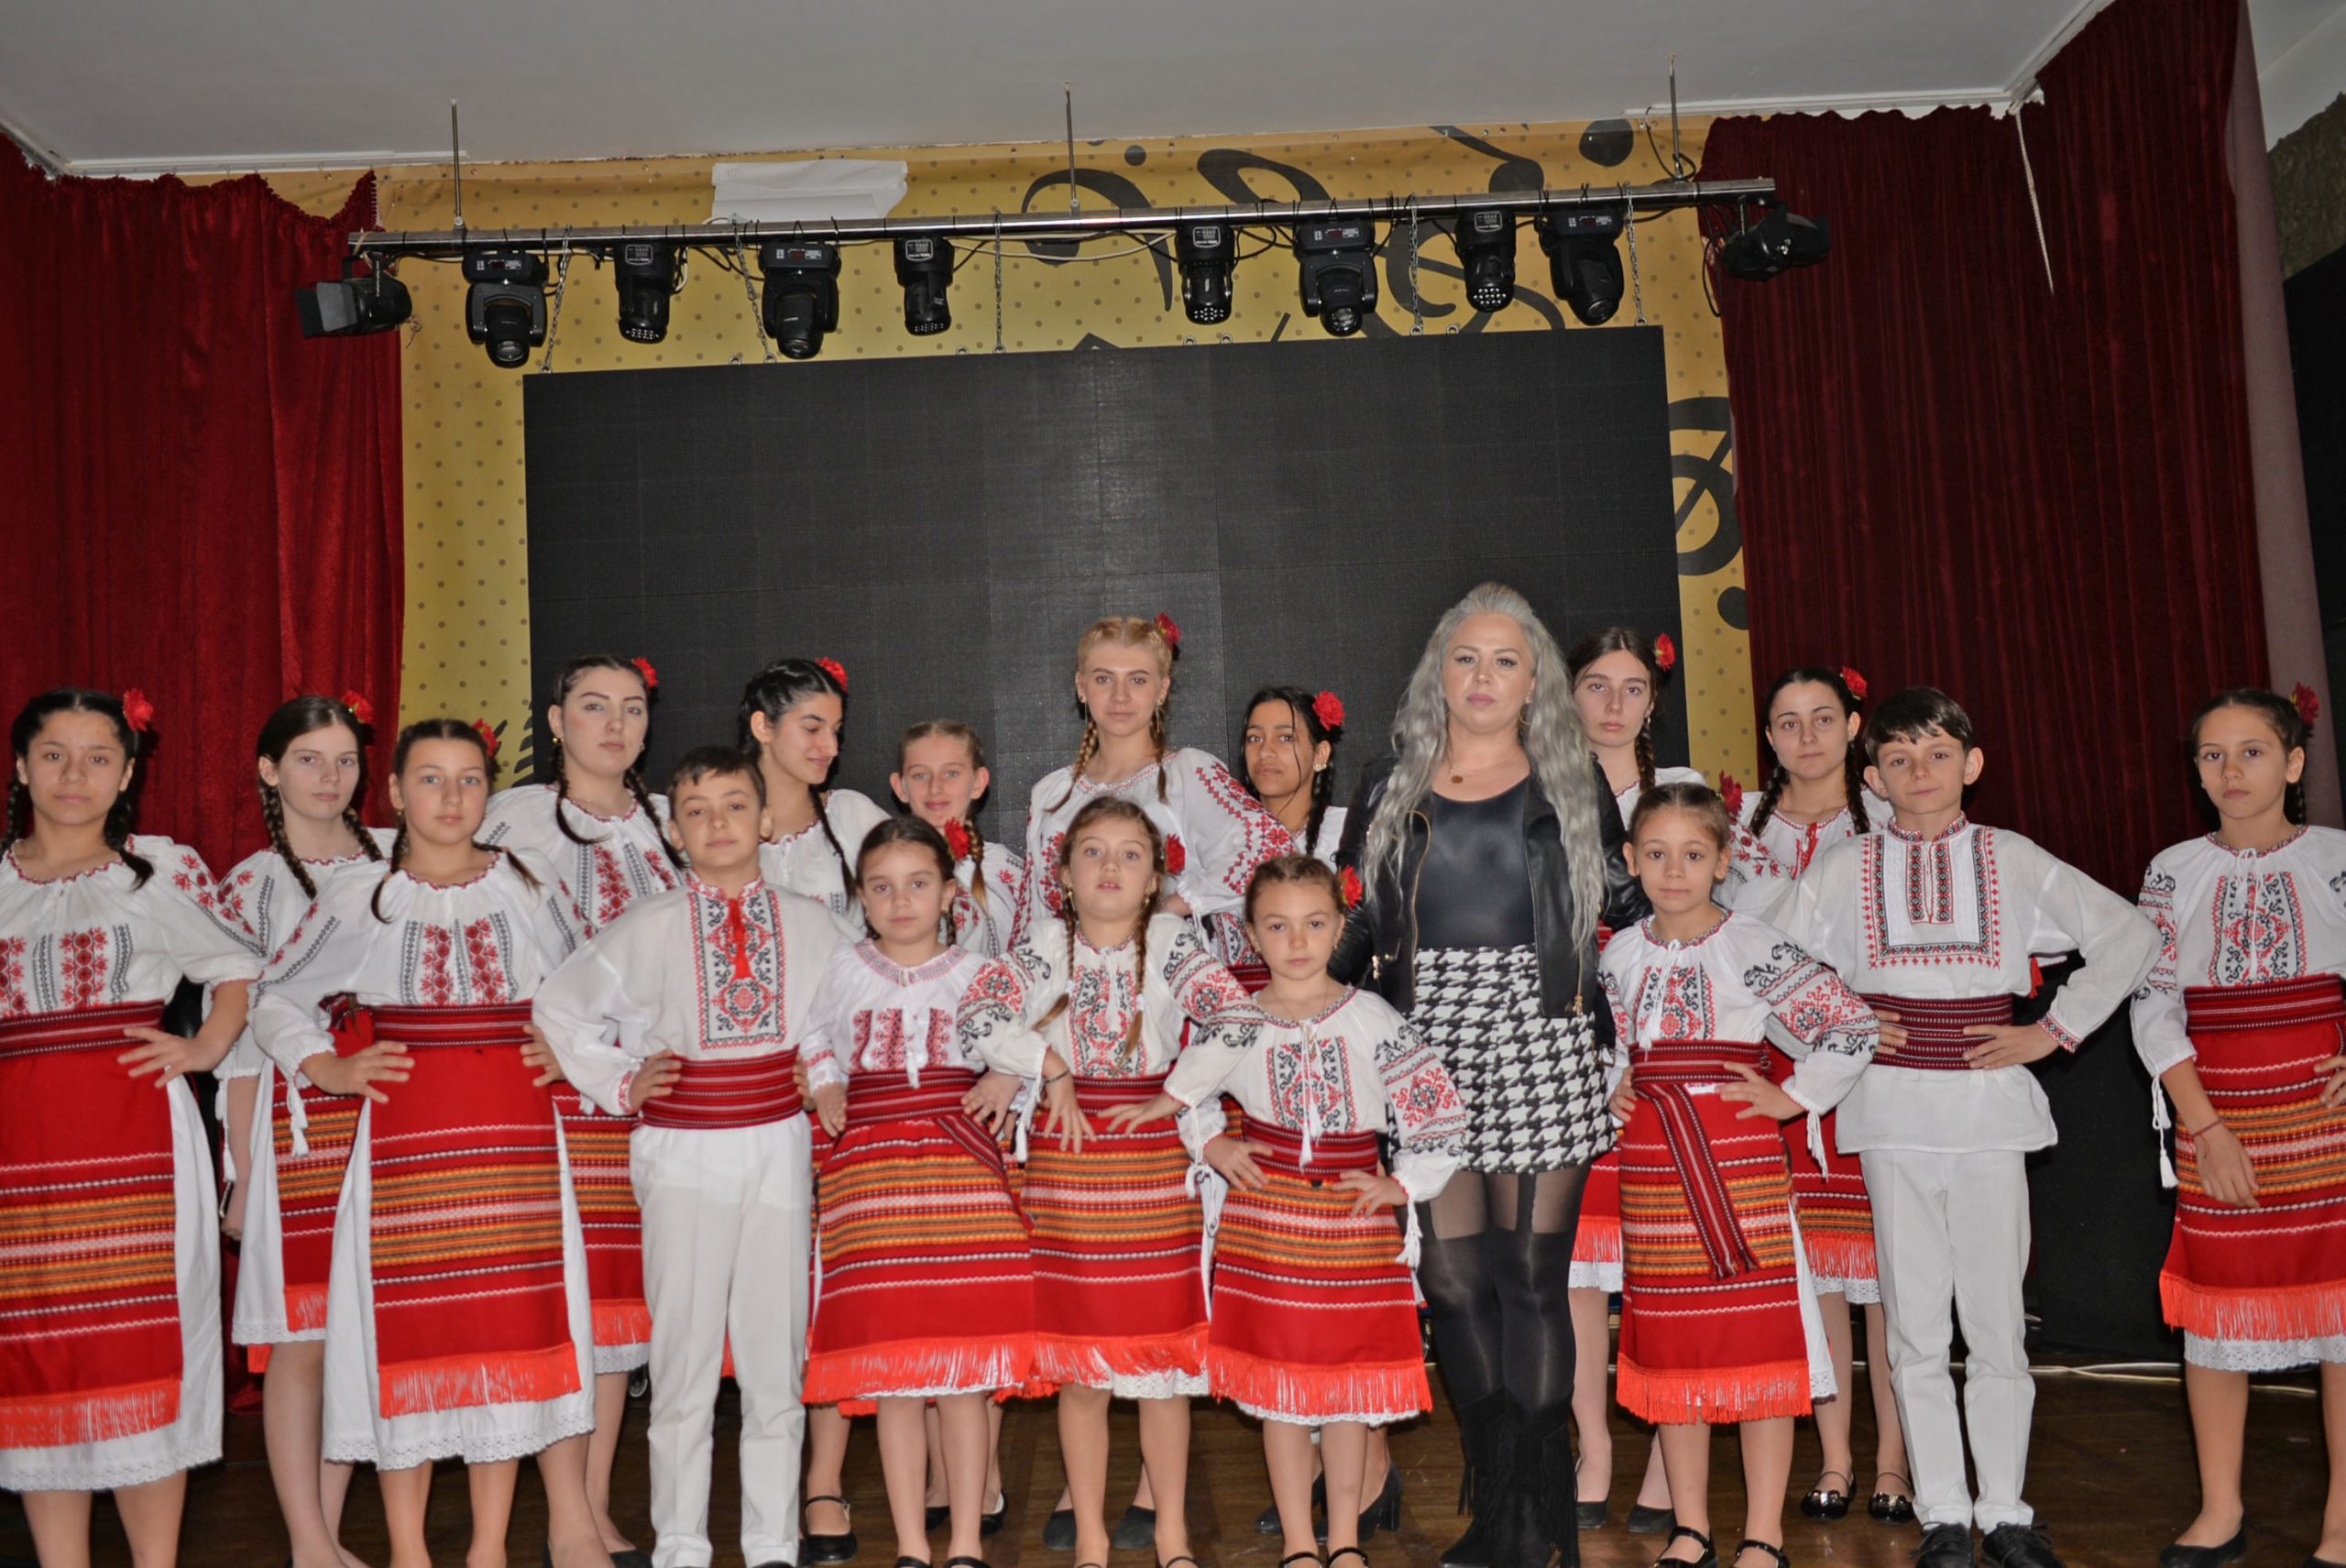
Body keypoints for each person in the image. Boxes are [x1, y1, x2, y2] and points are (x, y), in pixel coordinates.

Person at [1776, 687, 2159, 1568]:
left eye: (1938, 753)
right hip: (1892, 1112)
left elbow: (2131, 935)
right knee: (1914, 1324)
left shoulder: (2011, 857)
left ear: (1972, 764)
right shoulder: (1842, 868)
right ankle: (1943, 1512)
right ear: (1874, 776)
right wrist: (1840, 1029)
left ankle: (2007, 1510)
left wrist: (2052, 1031)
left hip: (1989, 1111)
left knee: (1994, 1320)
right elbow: (1767, 964)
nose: (1920, 771)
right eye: (1899, 758)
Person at [248, 718, 613, 1568]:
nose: (452, 797)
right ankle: (409, 1551)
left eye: (469, 779)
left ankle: (488, 1548)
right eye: (431, 778)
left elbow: (600, 980)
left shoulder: (528, 881)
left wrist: (569, 1046)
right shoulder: (362, 896)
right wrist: (327, 1066)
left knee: (506, 1337)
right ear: (395, 791)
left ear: (490, 789)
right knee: (409, 1341)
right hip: (405, 1148)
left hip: (516, 1144)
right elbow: (275, 997)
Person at [1332, 582, 1645, 1568]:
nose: (1482, 676)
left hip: (1541, 1031)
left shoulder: (1569, 777)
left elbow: (1631, 911)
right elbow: (1357, 917)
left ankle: (1524, 1519)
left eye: (1505, 660)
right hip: (1422, 1035)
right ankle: (1506, 1494)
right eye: (1465, 657)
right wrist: (1305, 1012)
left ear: (1533, 681)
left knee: (1529, 1277)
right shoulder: (1388, 778)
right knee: (1451, 1279)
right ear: (1439, 670)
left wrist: (1640, 1038)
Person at [532, 745, 845, 1568]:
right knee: (683, 1362)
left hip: (777, 1143)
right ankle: (680, 1545)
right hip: (680, 1150)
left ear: (765, 818)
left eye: (736, 805)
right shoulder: (649, 924)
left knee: (775, 1357)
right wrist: (620, 1080)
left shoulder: (813, 921)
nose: (718, 823)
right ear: (674, 831)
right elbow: (559, 1006)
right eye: (697, 811)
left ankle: (772, 1542)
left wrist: (825, 1074)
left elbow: (842, 1013)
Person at [961, 795, 1262, 1568]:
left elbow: (1236, 1018)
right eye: (1092, 851)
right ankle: (1091, 1538)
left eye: (1131, 854)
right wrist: (1048, 1063)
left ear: (1155, 877)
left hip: (1152, 1166)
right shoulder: (1043, 943)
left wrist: (1176, 1093)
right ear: (1063, 872)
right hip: (1068, 1165)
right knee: (1081, 1370)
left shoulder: (1169, 940)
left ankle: (1172, 1535)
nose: (1110, 867)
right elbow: (978, 1014)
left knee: (1162, 1370)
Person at [1141, 853, 1465, 1568]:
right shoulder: (1235, 1022)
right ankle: (1297, 1542)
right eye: (1278, 925)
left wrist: (1403, 1183)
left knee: (1348, 1389)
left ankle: (1343, 1538)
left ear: (1339, 927)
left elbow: (1436, 1107)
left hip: (1353, 1220)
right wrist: (1215, 1142)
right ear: (1251, 934)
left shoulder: (1371, 1016)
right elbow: (1184, 1093)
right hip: (1268, 1222)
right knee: (1280, 1391)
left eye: (1314, 924)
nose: (1296, 941)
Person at [0, 687, 261, 1568]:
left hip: (137, 1134)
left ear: (127, 773)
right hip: (20, 1150)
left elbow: (234, 971)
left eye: (98, 756)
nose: (74, 774)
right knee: (37, 1356)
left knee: (140, 1350)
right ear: (21, 766)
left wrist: (203, 1048)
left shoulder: (153, 874)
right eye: (54, 754)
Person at [1602, 783, 1880, 1568]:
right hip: (1654, 1173)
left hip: (1740, 1167)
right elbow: (1610, 1046)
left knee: (1760, 1352)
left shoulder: (1751, 943)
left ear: (1723, 860)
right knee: (1674, 1353)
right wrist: (1613, 1082)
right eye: (1657, 854)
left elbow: (1850, 1023)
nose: (1674, 870)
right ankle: (1691, 1527)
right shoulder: (1618, 956)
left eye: (1693, 854)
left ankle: (1764, 1533)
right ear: (1630, 860)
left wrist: (1794, 1097)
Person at [2132, 688, 2346, 1568]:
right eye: (2212, 755)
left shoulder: (2337, 859)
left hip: (2327, 1117)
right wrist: (2205, 1125)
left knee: (2343, 1308)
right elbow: (2152, 1001)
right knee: (2215, 1313)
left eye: (2252, 751)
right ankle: (2220, 1509)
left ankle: (2343, 1524)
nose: (2231, 771)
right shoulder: (2172, 870)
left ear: (2293, 762)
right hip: (2215, 1111)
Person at [486, 653, 683, 1568]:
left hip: (650, 1093)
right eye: (593, 707)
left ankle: (596, 1505)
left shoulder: (668, 824)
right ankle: (565, 1516)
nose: (614, 724)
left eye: (631, 708)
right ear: (557, 722)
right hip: (558, 1087)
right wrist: (531, 1031)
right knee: (563, 1303)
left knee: (618, 1310)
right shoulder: (512, 819)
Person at [802, 817, 1034, 1568]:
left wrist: (1007, 1075)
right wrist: (826, 1082)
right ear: (861, 896)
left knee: (964, 1377)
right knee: (893, 1377)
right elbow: (813, 1036)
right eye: (881, 886)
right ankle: (910, 1544)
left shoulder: (979, 974)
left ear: (948, 894)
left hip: (962, 1174)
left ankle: (963, 1542)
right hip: (870, 1186)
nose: (900, 901)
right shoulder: (844, 968)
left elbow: (1025, 1042)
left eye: (918, 883)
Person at [1722, 663, 1909, 1526]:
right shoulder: (1739, 834)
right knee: (1820, 1272)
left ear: (1854, 725)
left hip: (1884, 1058)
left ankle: (1896, 1460)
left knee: (1891, 1273)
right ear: (1768, 735)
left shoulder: (1894, 817)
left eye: (1823, 718)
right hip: (1781, 1069)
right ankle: (1835, 1456)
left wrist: (1885, 1012)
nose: (1807, 737)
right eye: (1788, 722)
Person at [220, 694, 391, 1568]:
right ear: (269, 769)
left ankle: (328, 1528)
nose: (331, 777)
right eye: (309, 759)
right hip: (299, 1128)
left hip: (392, 1109)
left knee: (368, 1328)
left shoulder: (399, 858)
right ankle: (309, 1541)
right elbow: (242, 1044)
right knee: (305, 1336)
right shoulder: (253, 885)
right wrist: (245, 1170)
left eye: (346, 760)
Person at [1561, 626, 1703, 1534]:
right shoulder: (1541, 784)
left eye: (1632, 687)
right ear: (1568, 693)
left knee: (1663, 1259)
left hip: (1662, 1038)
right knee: (1574, 1267)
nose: (1613, 704)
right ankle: (1592, 1446)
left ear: (1653, 701)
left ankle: (1663, 1449)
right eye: (1595, 684)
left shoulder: (1683, 792)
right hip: (1570, 1037)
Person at [893, 720, 1025, 959]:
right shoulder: (886, 870)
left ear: (978, 782)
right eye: (920, 775)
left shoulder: (1006, 868)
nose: (935, 788)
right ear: (900, 787)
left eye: (951, 773)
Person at [1238, 686, 1350, 863]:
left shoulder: (1346, 833)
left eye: (1285, 738)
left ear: (1320, 754)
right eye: (1254, 738)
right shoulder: (1225, 837)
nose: (1264, 752)